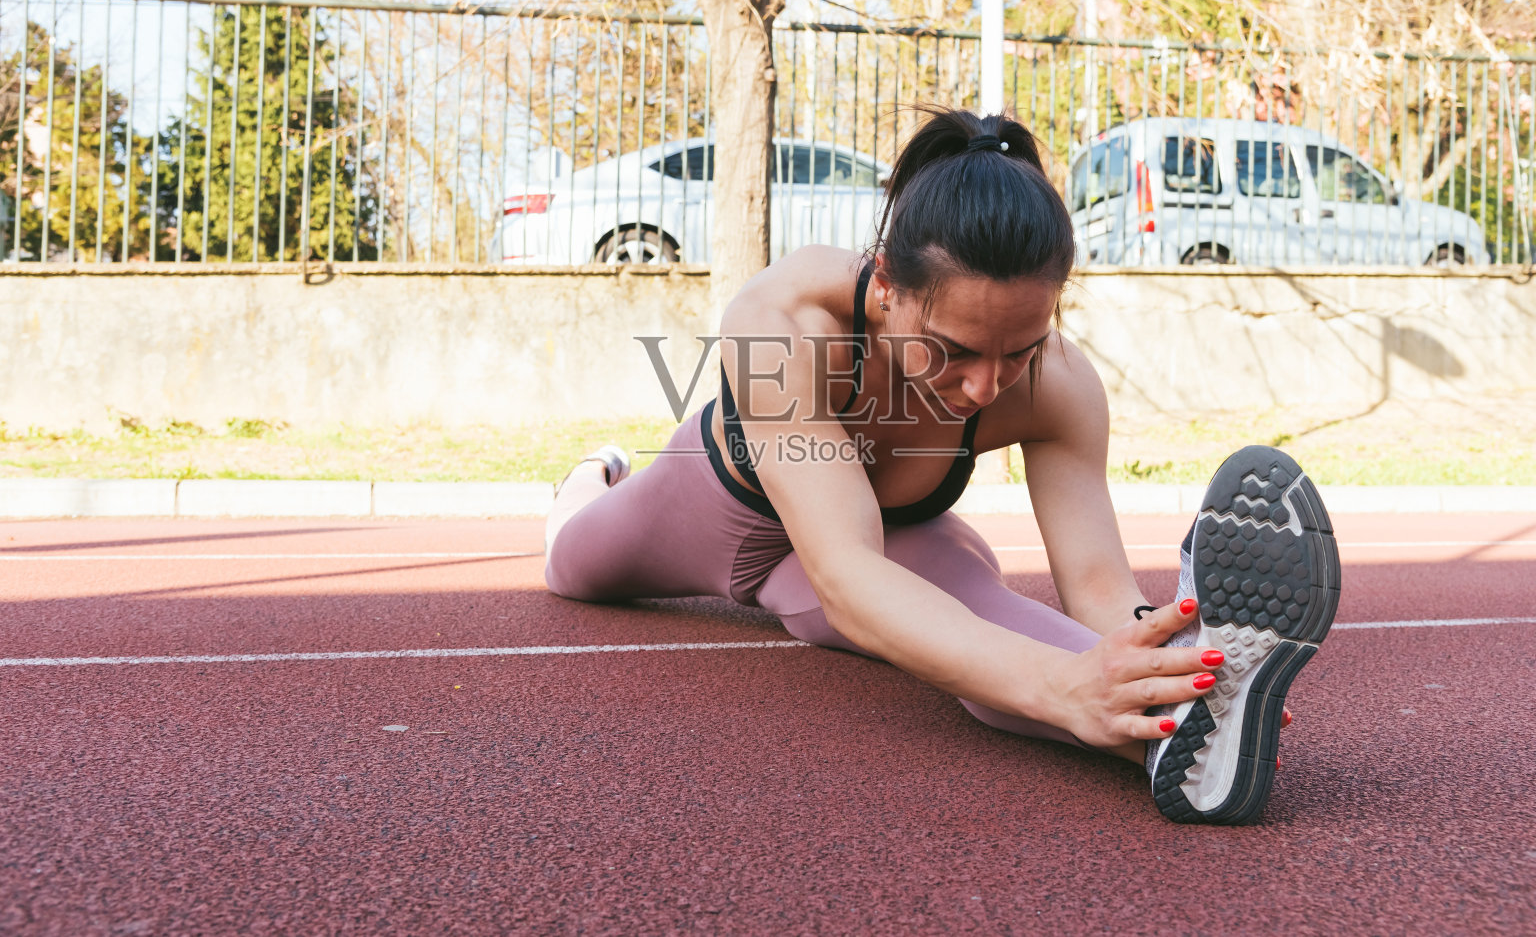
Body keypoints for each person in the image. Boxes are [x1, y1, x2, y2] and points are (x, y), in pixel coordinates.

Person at [543, 107, 1340, 824]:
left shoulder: (1060, 386)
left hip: (889, 545)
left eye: (1018, 352)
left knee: (992, 643)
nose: (986, 387)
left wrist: (1163, 657)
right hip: (705, 515)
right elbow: (847, 580)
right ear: (886, 284)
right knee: (568, 565)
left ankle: (1176, 743)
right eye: (953, 352)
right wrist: (1064, 686)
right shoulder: (782, 322)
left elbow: (1098, 589)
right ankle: (590, 474)